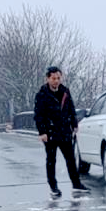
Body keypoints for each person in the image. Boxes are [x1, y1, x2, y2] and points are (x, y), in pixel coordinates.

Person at [34, 66, 88, 198]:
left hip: (65, 131)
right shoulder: (42, 95)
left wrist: (74, 123)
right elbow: (39, 114)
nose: (56, 81)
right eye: (53, 78)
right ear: (48, 79)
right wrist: (42, 132)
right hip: (50, 132)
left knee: (70, 159)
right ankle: (53, 186)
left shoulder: (65, 92)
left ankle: (76, 184)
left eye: (58, 78)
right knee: (51, 160)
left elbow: (71, 108)